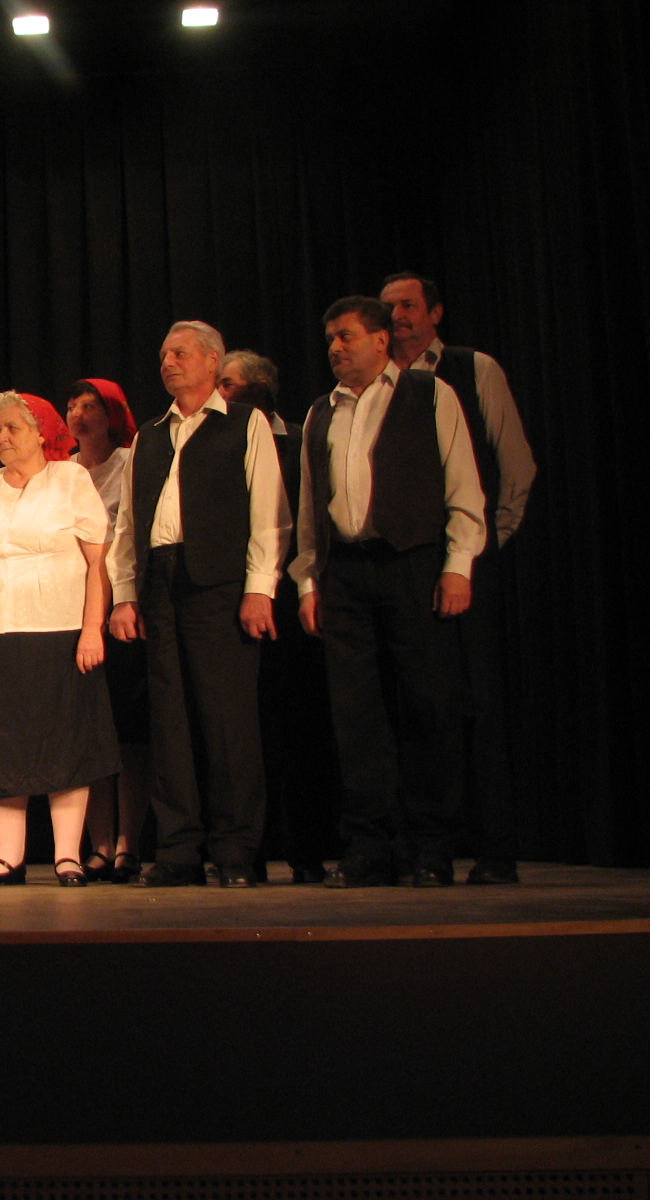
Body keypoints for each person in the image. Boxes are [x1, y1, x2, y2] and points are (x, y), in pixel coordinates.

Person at [291, 296, 486, 887]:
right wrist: (308, 581)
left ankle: (431, 846)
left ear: (381, 339)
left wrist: (458, 564)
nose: (334, 348)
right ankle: (369, 845)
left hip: (411, 564)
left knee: (426, 706)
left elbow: (463, 484)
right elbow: (311, 506)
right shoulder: (321, 412)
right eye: (330, 338)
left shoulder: (429, 394)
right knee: (356, 716)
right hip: (345, 573)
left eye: (346, 336)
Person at [108, 321, 292, 888]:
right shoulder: (149, 435)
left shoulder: (244, 422)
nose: (168, 362)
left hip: (218, 583)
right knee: (170, 722)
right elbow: (128, 524)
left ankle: (236, 850)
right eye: (164, 354)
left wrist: (260, 587)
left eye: (181, 353)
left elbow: (269, 511)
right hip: (161, 582)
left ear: (213, 361)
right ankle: (178, 849)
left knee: (226, 719)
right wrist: (125, 594)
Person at [380, 272, 538, 885]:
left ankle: (496, 846)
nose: (398, 315)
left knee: (478, 704)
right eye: (389, 307)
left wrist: (481, 548)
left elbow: (515, 465)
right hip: (406, 571)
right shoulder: (379, 383)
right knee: (419, 706)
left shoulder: (473, 369)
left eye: (409, 305)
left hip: (468, 565)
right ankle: (425, 845)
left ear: (436, 312)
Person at [0, 392, 119, 886]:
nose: (2, 437)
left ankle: (68, 855)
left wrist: (92, 629)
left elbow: (98, 562)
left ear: (42, 432)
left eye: (13, 428)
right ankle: (7, 857)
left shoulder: (69, 478)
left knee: (64, 739)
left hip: (57, 628)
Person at [217, 351, 336, 884]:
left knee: (303, 729)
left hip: (294, 596)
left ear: (260, 388)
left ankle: (308, 849)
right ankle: (247, 850)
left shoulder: (299, 439)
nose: (220, 393)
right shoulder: (219, 439)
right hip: (237, 597)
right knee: (246, 729)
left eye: (228, 383)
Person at [66, 377, 149, 884]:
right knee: (90, 731)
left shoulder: (129, 462)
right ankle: (98, 843)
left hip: (120, 607)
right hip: (72, 611)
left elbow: (131, 534)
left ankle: (127, 843)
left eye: (90, 405)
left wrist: (124, 599)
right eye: (72, 405)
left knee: (130, 732)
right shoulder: (62, 471)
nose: (79, 413)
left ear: (111, 413)